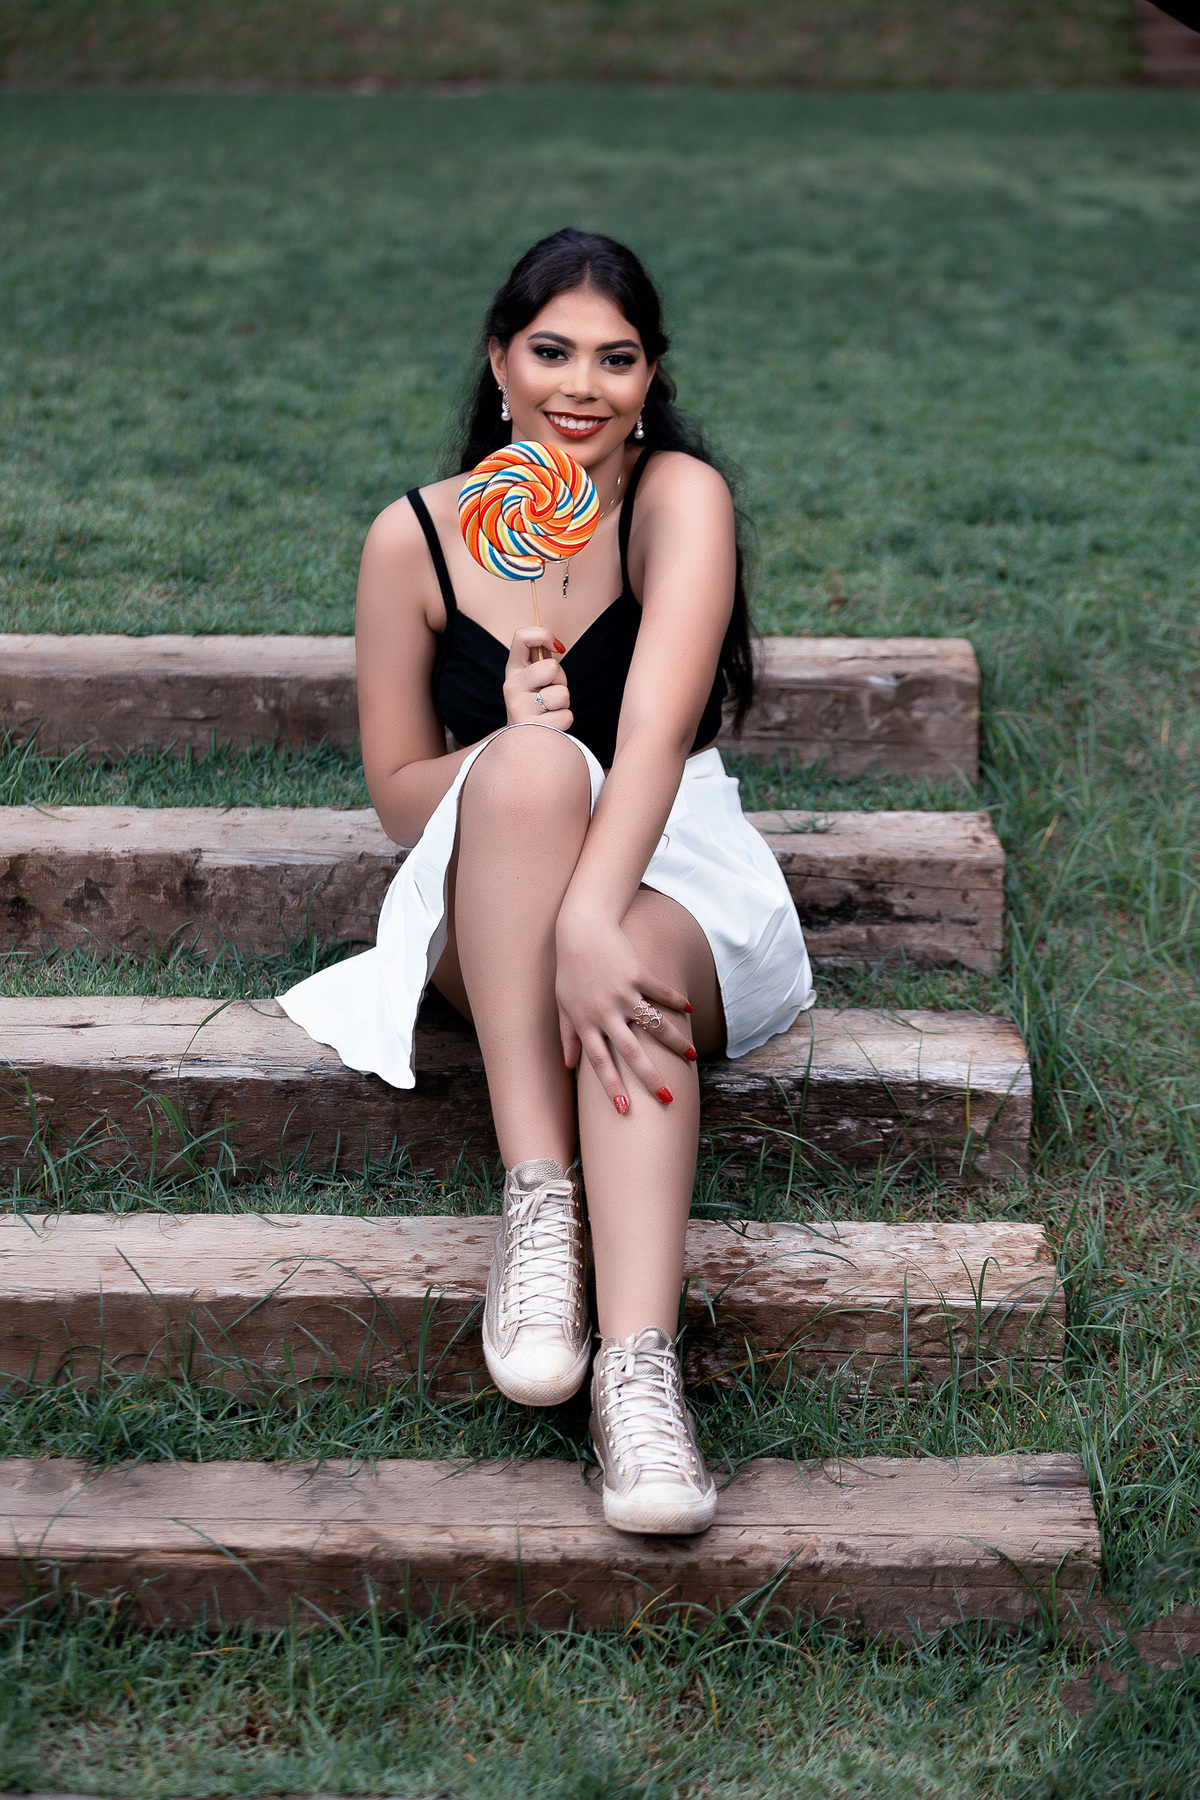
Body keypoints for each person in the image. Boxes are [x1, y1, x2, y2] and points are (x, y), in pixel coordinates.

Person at [281, 228, 813, 1536]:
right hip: (495, 878)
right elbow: (400, 792)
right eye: (553, 351)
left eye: (616, 359)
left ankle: (637, 1377)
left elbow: (653, 738)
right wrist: (506, 744)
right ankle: (540, 1202)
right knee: (524, 770)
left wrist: (589, 917)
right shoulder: (413, 538)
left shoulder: (680, 498)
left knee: (626, 962)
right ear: (499, 361)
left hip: (670, 855)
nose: (583, 386)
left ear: (651, 376)